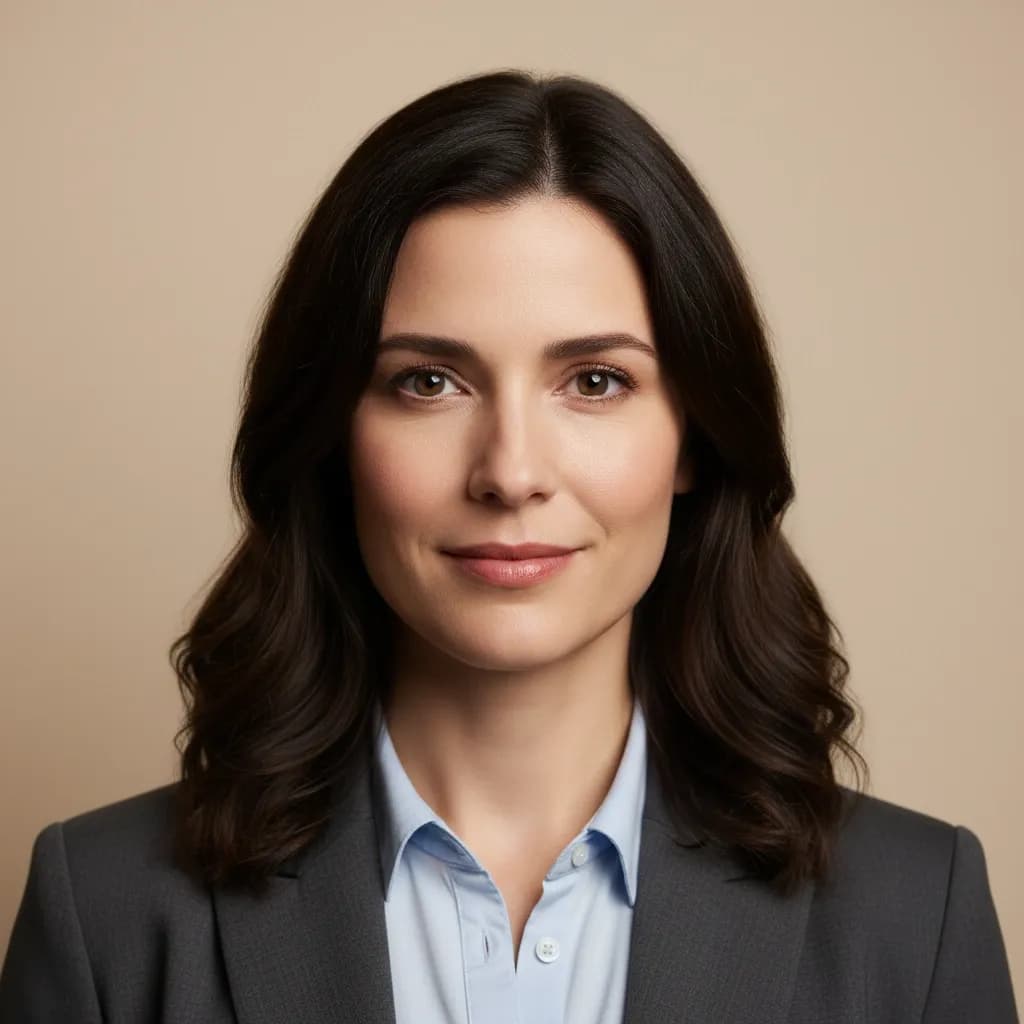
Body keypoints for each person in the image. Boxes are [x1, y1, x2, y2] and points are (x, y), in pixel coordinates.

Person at [0, 68, 1017, 1024]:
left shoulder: (913, 916)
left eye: (595, 381)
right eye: (429, 381)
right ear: (331, 434)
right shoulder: (106, 913)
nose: (511, 470)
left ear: (695, 439)